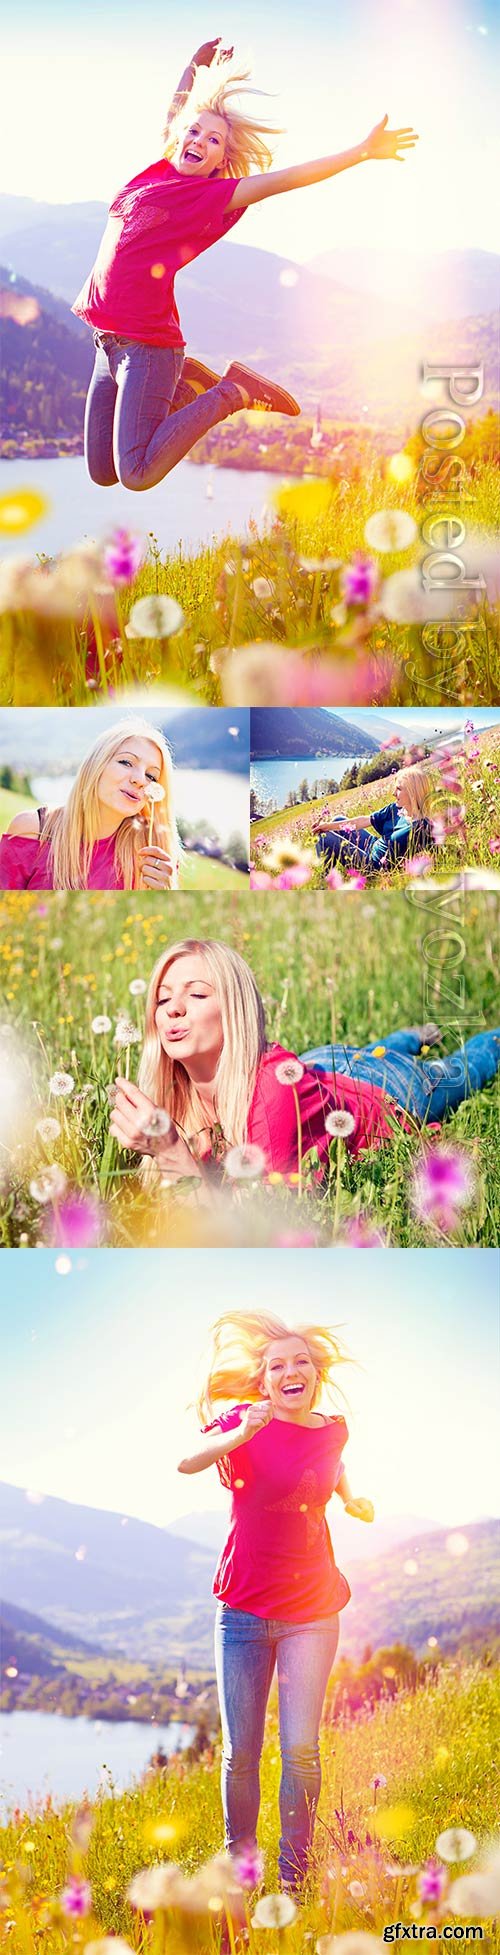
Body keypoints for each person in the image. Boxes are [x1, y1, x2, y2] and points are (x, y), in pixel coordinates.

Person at [73, 37, 418, 491]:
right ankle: (188, 385)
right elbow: (180, 111)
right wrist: (195, 64)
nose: (199, 140)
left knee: (136, 474)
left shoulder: (206, 196)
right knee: (102, 473)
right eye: (194, 132)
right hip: (107, 345)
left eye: (213, 140)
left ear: (221, 160)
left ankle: (232, 391)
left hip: (147, 350)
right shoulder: (158, 171)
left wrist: (360, 153)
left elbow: (287, 180)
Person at [177, 1309, 373, 1892]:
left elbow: (332, 1462)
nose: (292, 1371)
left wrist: (353, 1497)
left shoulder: (333, 1427)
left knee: (301, 1749)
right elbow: (188, 1460)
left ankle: (295, 1877)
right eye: (278, 1365)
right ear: (262, 1381)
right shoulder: (243, 1421)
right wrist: (242, 1433)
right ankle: (241, 1870)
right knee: (240, 1753)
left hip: (313, 1612)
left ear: (315, 1373)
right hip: (241, 1612)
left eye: (301, 1362)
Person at [107, 938, 500, 1180]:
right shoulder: (174, 1096)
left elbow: (255, 1224)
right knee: (362, 1054)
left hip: (384, 1089)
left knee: (460, 1071)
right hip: (317, 1066)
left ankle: (486, 1040)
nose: (172, 1009)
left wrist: (172, 1153)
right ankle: (403, 1039)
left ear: (236, 1010)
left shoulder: (272, 1095)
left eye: (196, 994)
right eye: (162, 999)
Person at [0, 718, 179, 890]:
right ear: (96, 764)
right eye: (126, 762)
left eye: (151, 776)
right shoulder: (32, 830)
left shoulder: (152, 853)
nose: (140, 780)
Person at [312, 765, 436, 876]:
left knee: (324, 837)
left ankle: (326, 880)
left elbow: (435, 852)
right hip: (372, 845)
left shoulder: (422, 826)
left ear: (412, 792)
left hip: (373, 866)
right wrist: (328, 826)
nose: (393, 793)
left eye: (398, 789)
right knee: (338, 820)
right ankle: (329, 873)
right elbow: (365, 820)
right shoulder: (396, 809)